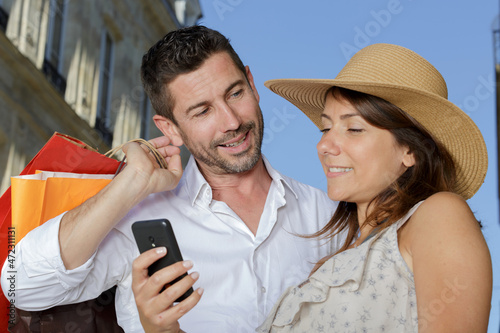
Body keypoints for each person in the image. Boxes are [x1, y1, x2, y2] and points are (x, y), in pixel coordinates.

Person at [0, 26, 341, 332]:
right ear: (170, 128)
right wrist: (129, 184)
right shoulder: (139, 216)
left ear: (252, 83)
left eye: (235, 93)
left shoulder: (328, 214)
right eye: (202, 110)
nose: (231, 121)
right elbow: (22, 284)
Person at [257, 43, 493, 332]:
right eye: (325, 128)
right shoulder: (333, 262)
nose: (323, 145)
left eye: (354, 129)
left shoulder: (438, 214)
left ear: (410, 150)